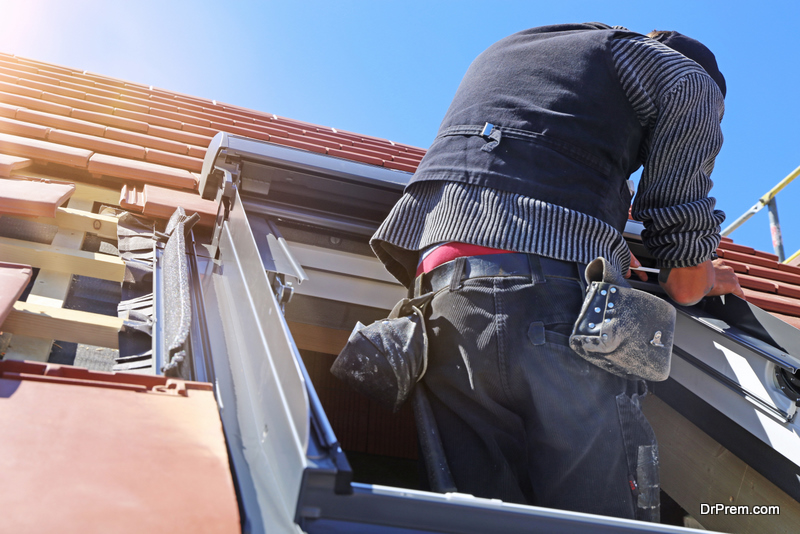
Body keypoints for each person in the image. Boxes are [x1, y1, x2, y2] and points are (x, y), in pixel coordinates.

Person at [370, 23, 743, 521]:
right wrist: (708, 275)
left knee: (476, 522)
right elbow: (685, 280)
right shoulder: (689, 79)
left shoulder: (525, 50)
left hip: (439, 304)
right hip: (552, 300)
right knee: (600, 522)